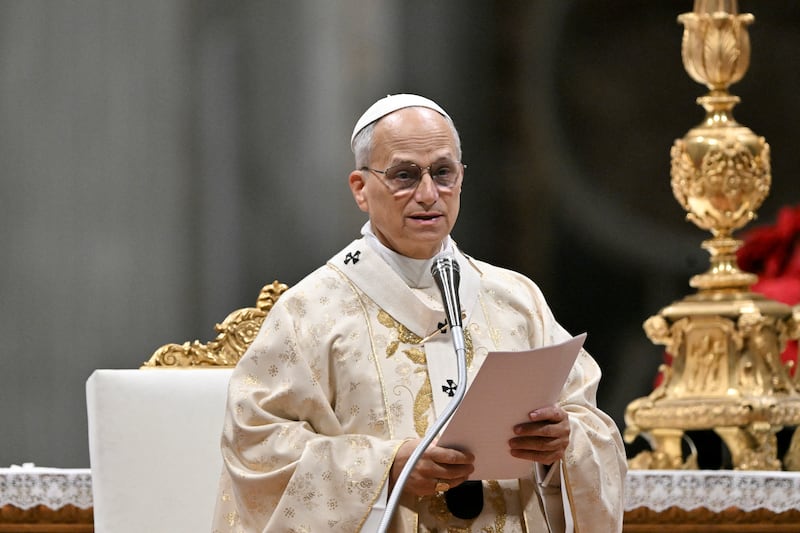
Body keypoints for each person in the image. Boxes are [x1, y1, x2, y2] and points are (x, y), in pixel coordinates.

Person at [211, 94, 627, 532]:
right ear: (360, 188)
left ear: (461, 177)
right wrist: (387, 467)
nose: (428, 195)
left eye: (443, 173)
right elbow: (255, 446)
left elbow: (591, 427)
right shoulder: (310, 313)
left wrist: (561, 444)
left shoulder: (516, 300)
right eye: (404, 175)